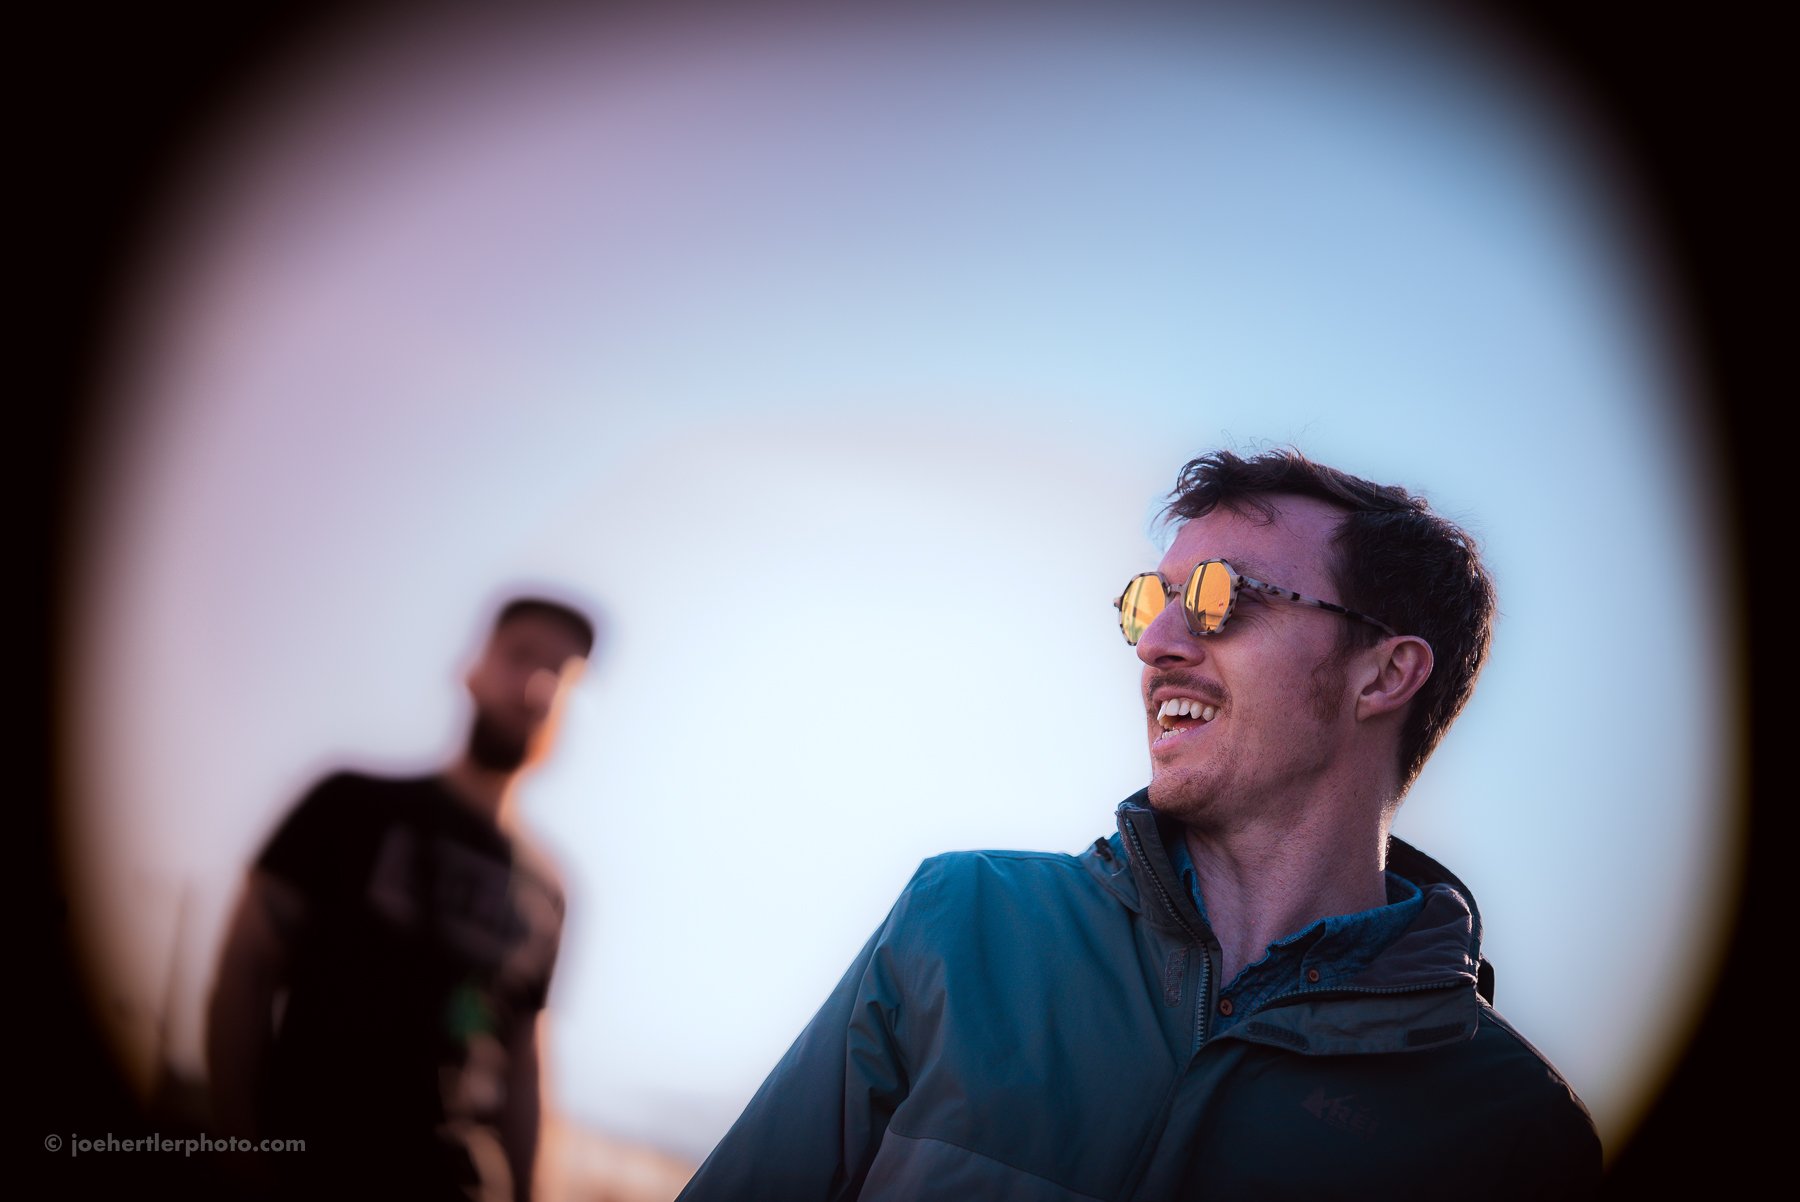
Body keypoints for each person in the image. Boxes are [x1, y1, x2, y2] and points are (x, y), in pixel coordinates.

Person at [676, 449, 1601, 1201]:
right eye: (1152, 603)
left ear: (1384, 676)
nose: (1158, 643)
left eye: (1219, 598)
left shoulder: (1510, 1131)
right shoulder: (962, 922)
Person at [206, 593, 597, 1202]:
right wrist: (241, 1151)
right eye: (521, 655)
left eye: (563, 675)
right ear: (472, 670)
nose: (539, 684)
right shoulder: (350, 804)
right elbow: (244, 972)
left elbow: (523, 1061)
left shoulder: (550, 889)